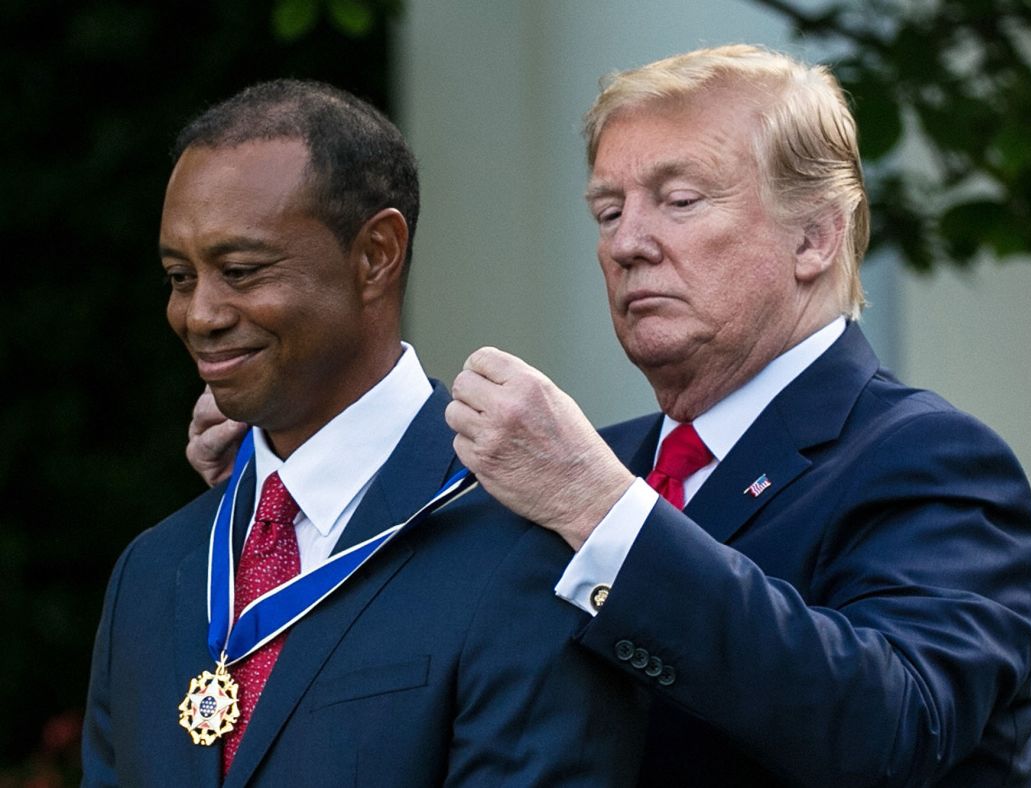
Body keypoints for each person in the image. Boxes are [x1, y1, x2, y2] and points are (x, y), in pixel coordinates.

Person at [191, 46, 1031, 786]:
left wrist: (601, 510)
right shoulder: (595, 467)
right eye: (608, 210)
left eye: (680, 200)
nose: (626, 243)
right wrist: (299, 467)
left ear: (815, 237)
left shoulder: (930, 459)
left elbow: (897, 730)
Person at [81, 79, 644, 788]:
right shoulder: (152, 572)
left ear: (376, 254)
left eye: (240, 271)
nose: (200, 315)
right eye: (179, 276)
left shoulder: (529, 551)